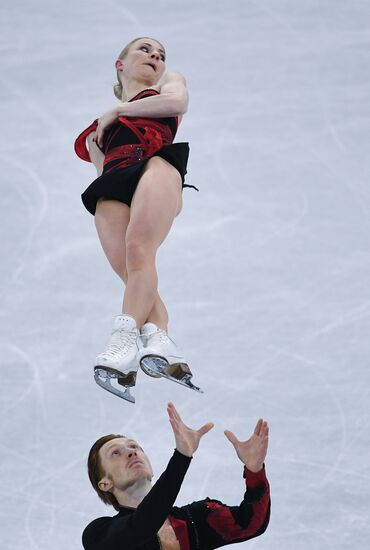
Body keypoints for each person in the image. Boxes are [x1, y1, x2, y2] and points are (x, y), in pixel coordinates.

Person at [74, 37, 198, 398]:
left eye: (160, 54)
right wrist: (109, 119)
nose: (156, 57)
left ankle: (122, 343)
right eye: (145, 50)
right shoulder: (97, 132)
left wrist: (118, 112)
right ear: (120, 64)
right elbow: (101, 167)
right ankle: (160, 343)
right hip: (113, 182)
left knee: (140, 249)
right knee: (131, 271)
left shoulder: (168, 83)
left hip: (157, 165)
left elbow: (179, 104)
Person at [83, 403, 270, 550]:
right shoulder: (99, 534)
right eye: (115, 453)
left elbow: (251, 524)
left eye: (135, 447)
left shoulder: (198, 518)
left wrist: (255, 471)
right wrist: (181, 458)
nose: (131, 452)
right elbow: (142, 525)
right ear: (105, 483)